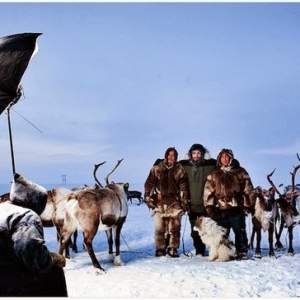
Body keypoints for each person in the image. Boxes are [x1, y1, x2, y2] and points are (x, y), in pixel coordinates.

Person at [0, 173, 68, 297]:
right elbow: (34, 256)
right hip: (7, 280)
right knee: (55, 272)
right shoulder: (25, 216)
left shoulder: (3, 208)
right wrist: (52, 259)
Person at [203, 148, 255, 260]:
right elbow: (208, 191)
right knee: (221, 233)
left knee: (239, 230)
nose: (225, 159)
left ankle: (242, 251)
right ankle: (224, 252)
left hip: (236, 207)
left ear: (231, 158)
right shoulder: (214, 173)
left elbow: (248, 189)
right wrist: (209, 206)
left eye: (227, 157)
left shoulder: (240, 171)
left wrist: (247, 205)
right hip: (220, 209)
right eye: (222, 157)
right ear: (219, 159)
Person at [144, 147, 189, 258]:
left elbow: (184, 186)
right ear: (165, 156)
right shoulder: (157, 168)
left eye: (173, 155)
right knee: (160, 227)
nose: (171, 157)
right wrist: (148, 198)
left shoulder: (180, 169)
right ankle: (160, 248)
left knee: (174, 227)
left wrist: (184, 201)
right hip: (159, 202)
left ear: (176, 157)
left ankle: (173, 248)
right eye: (169, 155)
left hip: (175, 203)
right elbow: (149, 184)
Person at [179, 143, 217, 256]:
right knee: (194, 231)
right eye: (194, 153)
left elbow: (222, 163)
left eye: (199, 153)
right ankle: (199, 250)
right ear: (190, 154)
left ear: (203, 155)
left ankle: (211, 248)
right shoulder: (185, 166)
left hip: (206, 205)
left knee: (207, 229)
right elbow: (172, 166)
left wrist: (234, 163)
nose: (196, 155)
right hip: (192, 205)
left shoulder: (209, 165)